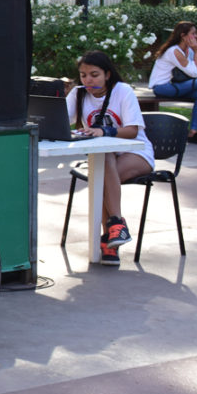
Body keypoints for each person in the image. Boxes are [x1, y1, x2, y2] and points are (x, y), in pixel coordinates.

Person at [66, 51, 151, 266]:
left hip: (136, 153)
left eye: (94, 74)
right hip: (104, 158)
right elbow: (59, 119)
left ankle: (111, 236)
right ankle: (115, 230)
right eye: (83, 75)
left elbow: (132, 131)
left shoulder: (122, 91)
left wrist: (105, 132)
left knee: (101, 180)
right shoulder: (78, 93)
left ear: (107, 74)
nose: (88, 80)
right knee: (104, 166)